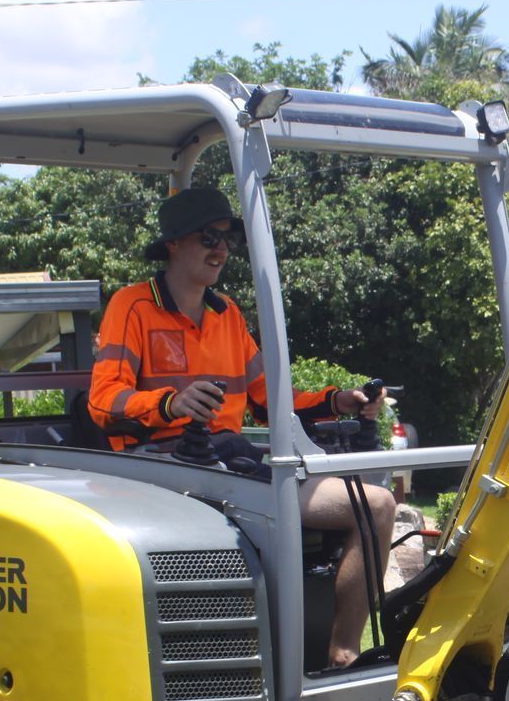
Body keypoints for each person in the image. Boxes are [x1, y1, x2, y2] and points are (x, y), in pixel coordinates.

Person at [89, 186, 396, 669]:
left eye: (228, 239)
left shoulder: (226, 313)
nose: (221, 250)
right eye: (209, 237)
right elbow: (104, 401)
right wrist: (171, 404)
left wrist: (338, 400)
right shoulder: (132, 307)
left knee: (376, 506)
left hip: (228, 459)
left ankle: (341, 654)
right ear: (173, 243)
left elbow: (267, 401)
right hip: (161, 467)